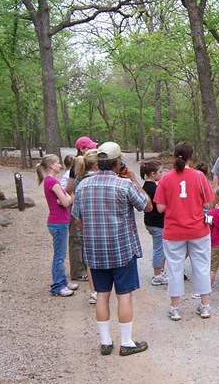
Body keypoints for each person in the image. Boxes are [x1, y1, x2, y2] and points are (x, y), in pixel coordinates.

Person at [72, 142, 151, 356]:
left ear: (98, 163)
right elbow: (147, 206)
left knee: (102, 295)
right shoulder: (124, 185)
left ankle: (105, 342)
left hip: (95, 251)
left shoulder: (83, 186)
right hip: (122, 249)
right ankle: (126, 342)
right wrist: (134, 181)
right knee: (124, 295)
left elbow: (77, 219)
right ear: (118, 163)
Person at [154, 141, 215, 321]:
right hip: (198, 229)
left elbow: (160, 208)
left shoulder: (165, 178)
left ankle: (175, 307)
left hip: (174, 231)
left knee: (174, 268)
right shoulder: (199, 176)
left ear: (174, 156)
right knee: (202, 266)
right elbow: (207, 204)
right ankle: (204, 306)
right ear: (191, 157)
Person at [35, 154, 78, 297]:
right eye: (58, 163)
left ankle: (63, 281)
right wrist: (67, 198)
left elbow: (65, 198)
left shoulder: (50, 181)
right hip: (58, 222)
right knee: (59, 256)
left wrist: (66, 198)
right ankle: (58, 285)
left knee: (61, 254)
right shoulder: (52, 182)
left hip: (59, 222)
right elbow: (66, 201)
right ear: (51, 165)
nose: (60, 165)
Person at [65, 136, 98, 282]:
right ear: (82, 149)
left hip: (84, 207)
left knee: (84, 239)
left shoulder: (84, 165)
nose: (93, 149)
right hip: (76, 207)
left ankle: (87, 269)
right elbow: (69, 188)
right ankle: (77, 271)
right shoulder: (77, 166)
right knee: (76, 239)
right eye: (90, 147)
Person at [72, 149, 99, 305]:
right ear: (96, 165)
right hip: (99, 225)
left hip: (85, 226)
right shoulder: (97, 179)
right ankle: (104, 289)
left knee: (89, 261)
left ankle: (94, 291)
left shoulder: (78, 181)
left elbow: (77, 209)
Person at [140, 160, 168, 287]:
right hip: (156, 223)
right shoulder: (153, 188)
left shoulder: (146, 186)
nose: (161, 174)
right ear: (152, 174)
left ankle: (160, 272)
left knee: (160, 248)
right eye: (160, 172)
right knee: (159, 249)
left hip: (151, 222)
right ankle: (157, 275)